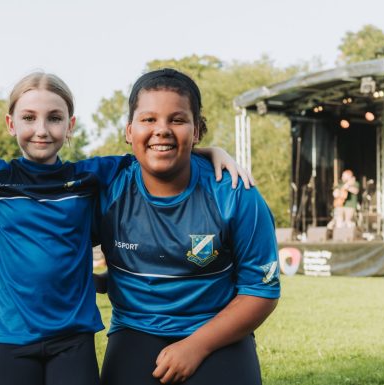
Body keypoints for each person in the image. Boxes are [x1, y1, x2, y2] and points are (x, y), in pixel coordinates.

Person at [0, 71, 253, 385]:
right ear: (10, 123)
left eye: (54, 118)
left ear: (70, 125)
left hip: (73, 338)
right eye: (29, 118)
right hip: (11, 339)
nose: (41, 129)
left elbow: (156, 150)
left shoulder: (92, 177)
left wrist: (210, 149)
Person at [96, 69, 279, 385]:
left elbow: (261, 290)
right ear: (129, 130)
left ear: (197, 131)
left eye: (177, 120)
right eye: (149, 119)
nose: (162, 130)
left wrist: (197, 345)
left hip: (215, 329)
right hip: (135, 327)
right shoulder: (108, 189)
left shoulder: (235, 193)